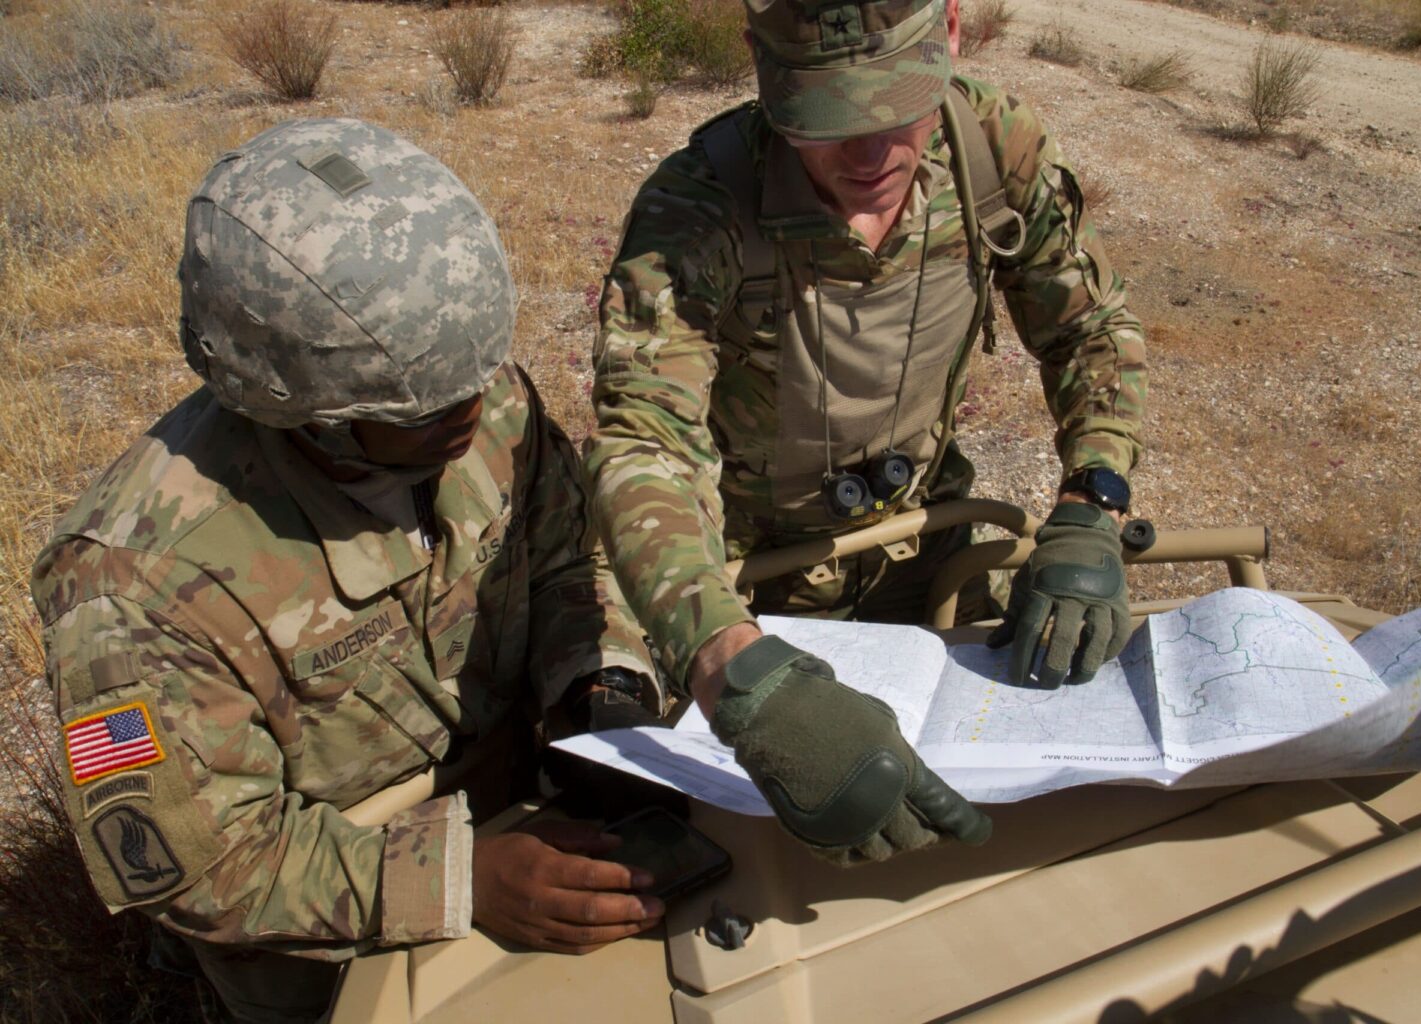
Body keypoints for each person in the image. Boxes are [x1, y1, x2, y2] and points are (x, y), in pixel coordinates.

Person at [33, 119, 665, 1023]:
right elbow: (192, 864)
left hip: (539, 837)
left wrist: (595, 689)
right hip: (337, 962)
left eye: (476, 378)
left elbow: (569, 560)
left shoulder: (462, 398)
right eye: (427, 404)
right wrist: (459, 881)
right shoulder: (132, 589)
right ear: (302, 406)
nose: (475, 410)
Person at [587, 0, 1148, 861]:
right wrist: (733, 667)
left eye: (900, 106)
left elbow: (1089, 331)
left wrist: (1092, 502)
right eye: (829, 116)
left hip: (920, 548)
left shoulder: (992, 149)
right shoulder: (699, 210)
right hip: (738, 583)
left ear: (953, 30)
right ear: (760, 63)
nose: (873, 155)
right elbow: (644, 446)